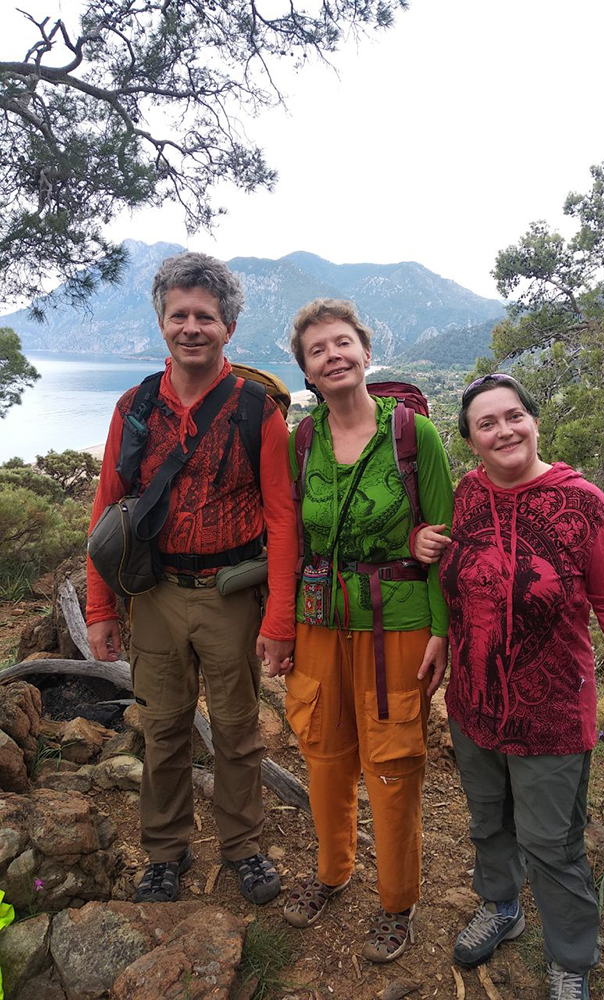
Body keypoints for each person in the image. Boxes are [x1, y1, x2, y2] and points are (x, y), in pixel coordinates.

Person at [412, 373, 604, 999]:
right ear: (470, 440)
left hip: (550, 713)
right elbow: (459, 572)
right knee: (488, 822)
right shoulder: (467, 494)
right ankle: (501, 907)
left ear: (533, 420)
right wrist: (423, 551)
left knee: (551, 844)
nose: (505, 431)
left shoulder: (583, 504)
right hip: (472, 702)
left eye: (514, 416)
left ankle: (570, 958)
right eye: (487, 423)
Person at [86, 252, 298, 907]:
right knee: (163, 728)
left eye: (205, 316)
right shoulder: (136, 406)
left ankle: (243, 846)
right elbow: (107, 506)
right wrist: (101, 608)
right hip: (154, 594)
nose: (191, 327)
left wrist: (279, 619)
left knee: (236, 730)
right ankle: (164, 852)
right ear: (162, 323)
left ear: (228, 327)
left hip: (230, 595)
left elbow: (282, 517)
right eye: (179, 315)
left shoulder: (256, 409)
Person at [282, 299, 453, 962]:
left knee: (393, 761)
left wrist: (441, 628)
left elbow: (442, 535)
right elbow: (291, 538)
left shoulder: (413, 435)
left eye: (342, 342)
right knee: (323, 752)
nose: (333, 355)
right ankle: (331, 870)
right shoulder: (302, 442)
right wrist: (282, 625)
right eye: (317, 350)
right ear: (307, 372)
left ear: (364, 350)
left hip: (399, 622)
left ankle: (397, 899)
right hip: (320, 619)